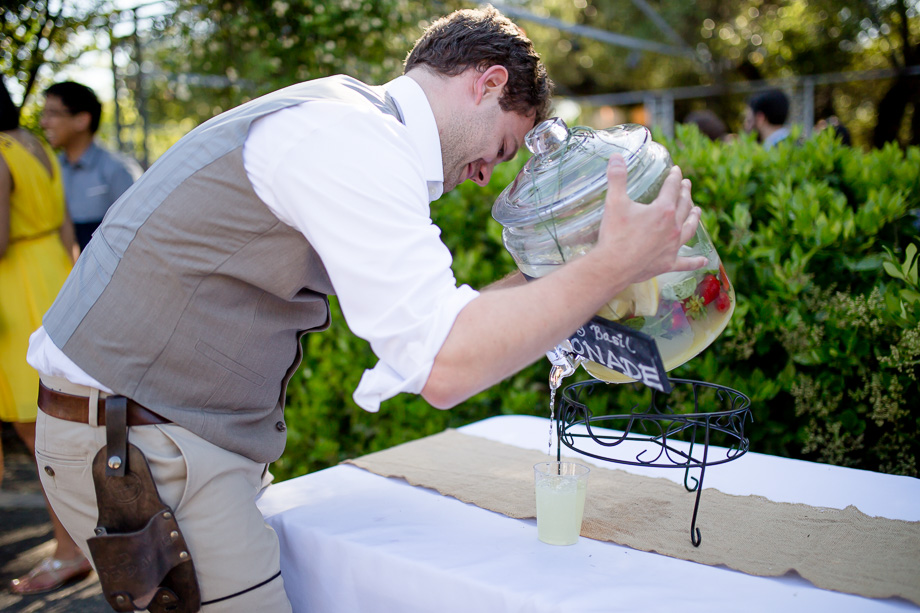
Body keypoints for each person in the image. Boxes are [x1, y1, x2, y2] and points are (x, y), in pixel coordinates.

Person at [26, 7, 705, 612]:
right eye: (500, 148)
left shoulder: (348, 124)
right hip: (136, 444)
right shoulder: (348, 139)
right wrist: (609, 267)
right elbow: (443, 362)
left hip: (152, 428)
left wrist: (571, 270)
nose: (487, 176)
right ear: (489, 82)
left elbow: (445, 323)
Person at [0, 79, 92, 595]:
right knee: (59, 422)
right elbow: (63, 230)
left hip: (15, 286)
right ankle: (76, 544)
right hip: (51, 277)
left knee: (40, 433)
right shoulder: (33, 143)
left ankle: (67, 551)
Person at [39, 81, 141, 252]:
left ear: (82, 120)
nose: (44, 123)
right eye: (44, 114)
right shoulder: (49, 169)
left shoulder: (117, 169)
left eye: (52, 114)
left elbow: (135, 233)